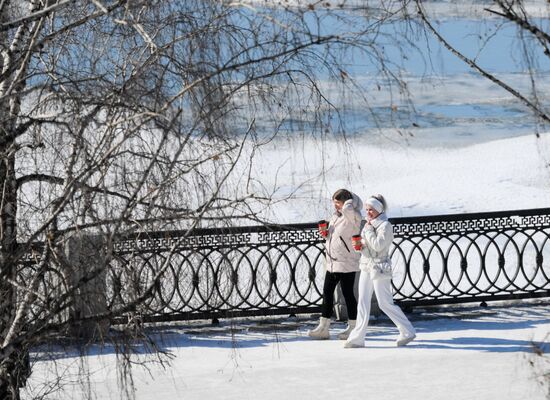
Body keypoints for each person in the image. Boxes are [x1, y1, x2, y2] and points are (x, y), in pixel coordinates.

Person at [344, 194, 416, 348]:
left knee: (384, 303)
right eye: (367, 209)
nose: (368, 212)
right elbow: (368, 247)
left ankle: (407, 330)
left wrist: (368, 232)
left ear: (378, 209)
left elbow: (378, 246)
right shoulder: (368, 225)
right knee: (362, 302)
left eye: (371, 209)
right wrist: (359, 247)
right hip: (366, 265)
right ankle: (358, 337)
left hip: (380, 267)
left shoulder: (385, 226)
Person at [308, 189, 363, 340]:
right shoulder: (336, 215)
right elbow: (338, 235)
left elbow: (349, 212)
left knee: (348, 294)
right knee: (327, 293)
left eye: (338, 203)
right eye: (334, 203)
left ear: (346, 202)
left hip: (347, 261)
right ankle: (323, 327)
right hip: (332, 261)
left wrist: (349, 203)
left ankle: (353, 327)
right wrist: (327, 233)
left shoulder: (354, 215)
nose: (336, 206)